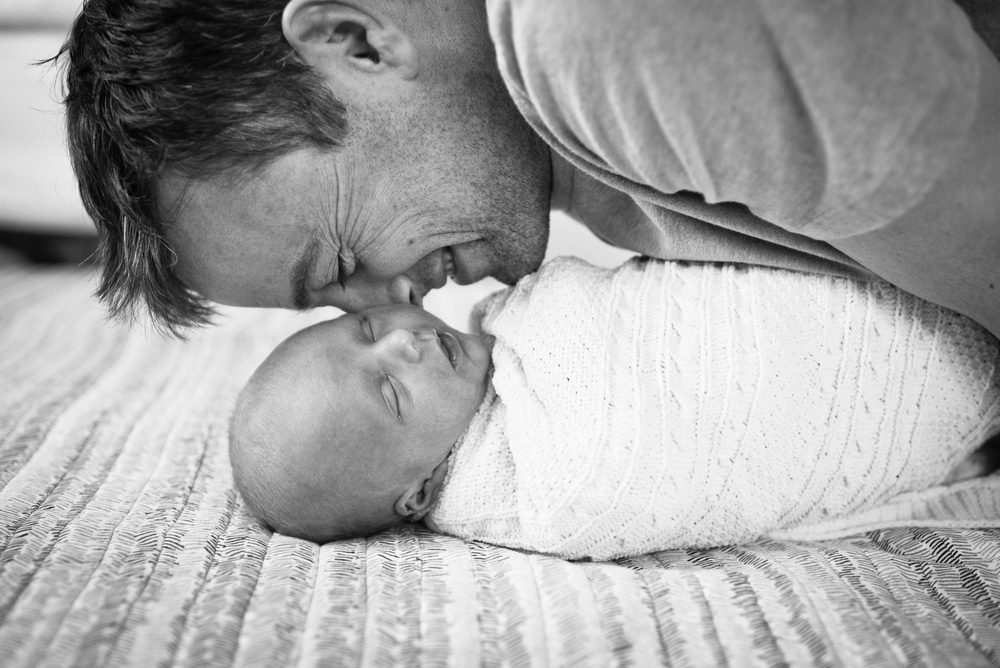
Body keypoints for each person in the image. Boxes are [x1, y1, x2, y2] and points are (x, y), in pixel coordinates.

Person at [56, 0, 1000, 340]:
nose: (394, 311)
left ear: (354, 41)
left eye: (342, 265)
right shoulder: (543, 131)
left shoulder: (603, 33)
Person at [230, 257, 1000, 560]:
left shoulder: (490, 377)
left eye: (366, 329)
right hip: (918, 359)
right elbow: (615, 460)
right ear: (419, 491)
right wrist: (524, 311)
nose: (403, 346)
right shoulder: (543, 486)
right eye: (392, 394)